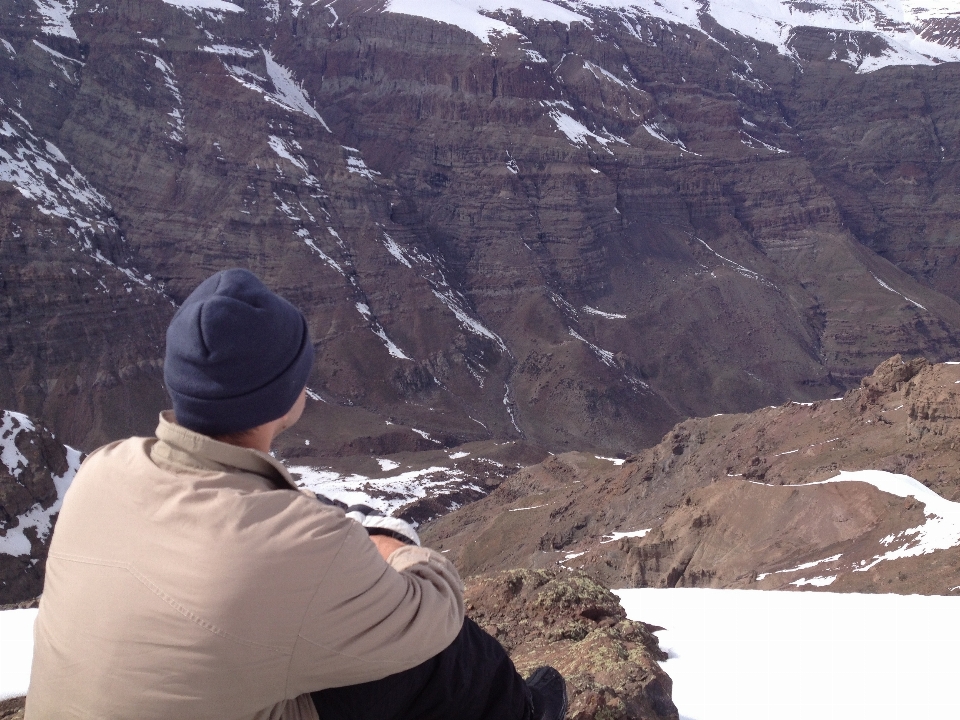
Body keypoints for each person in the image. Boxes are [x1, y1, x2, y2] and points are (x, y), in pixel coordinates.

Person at [26, 268, 567, 720]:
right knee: (439, 658)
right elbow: (436, 611)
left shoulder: (101, 469)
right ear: (288, 394)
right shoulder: (298, 542)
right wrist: (393, 544)